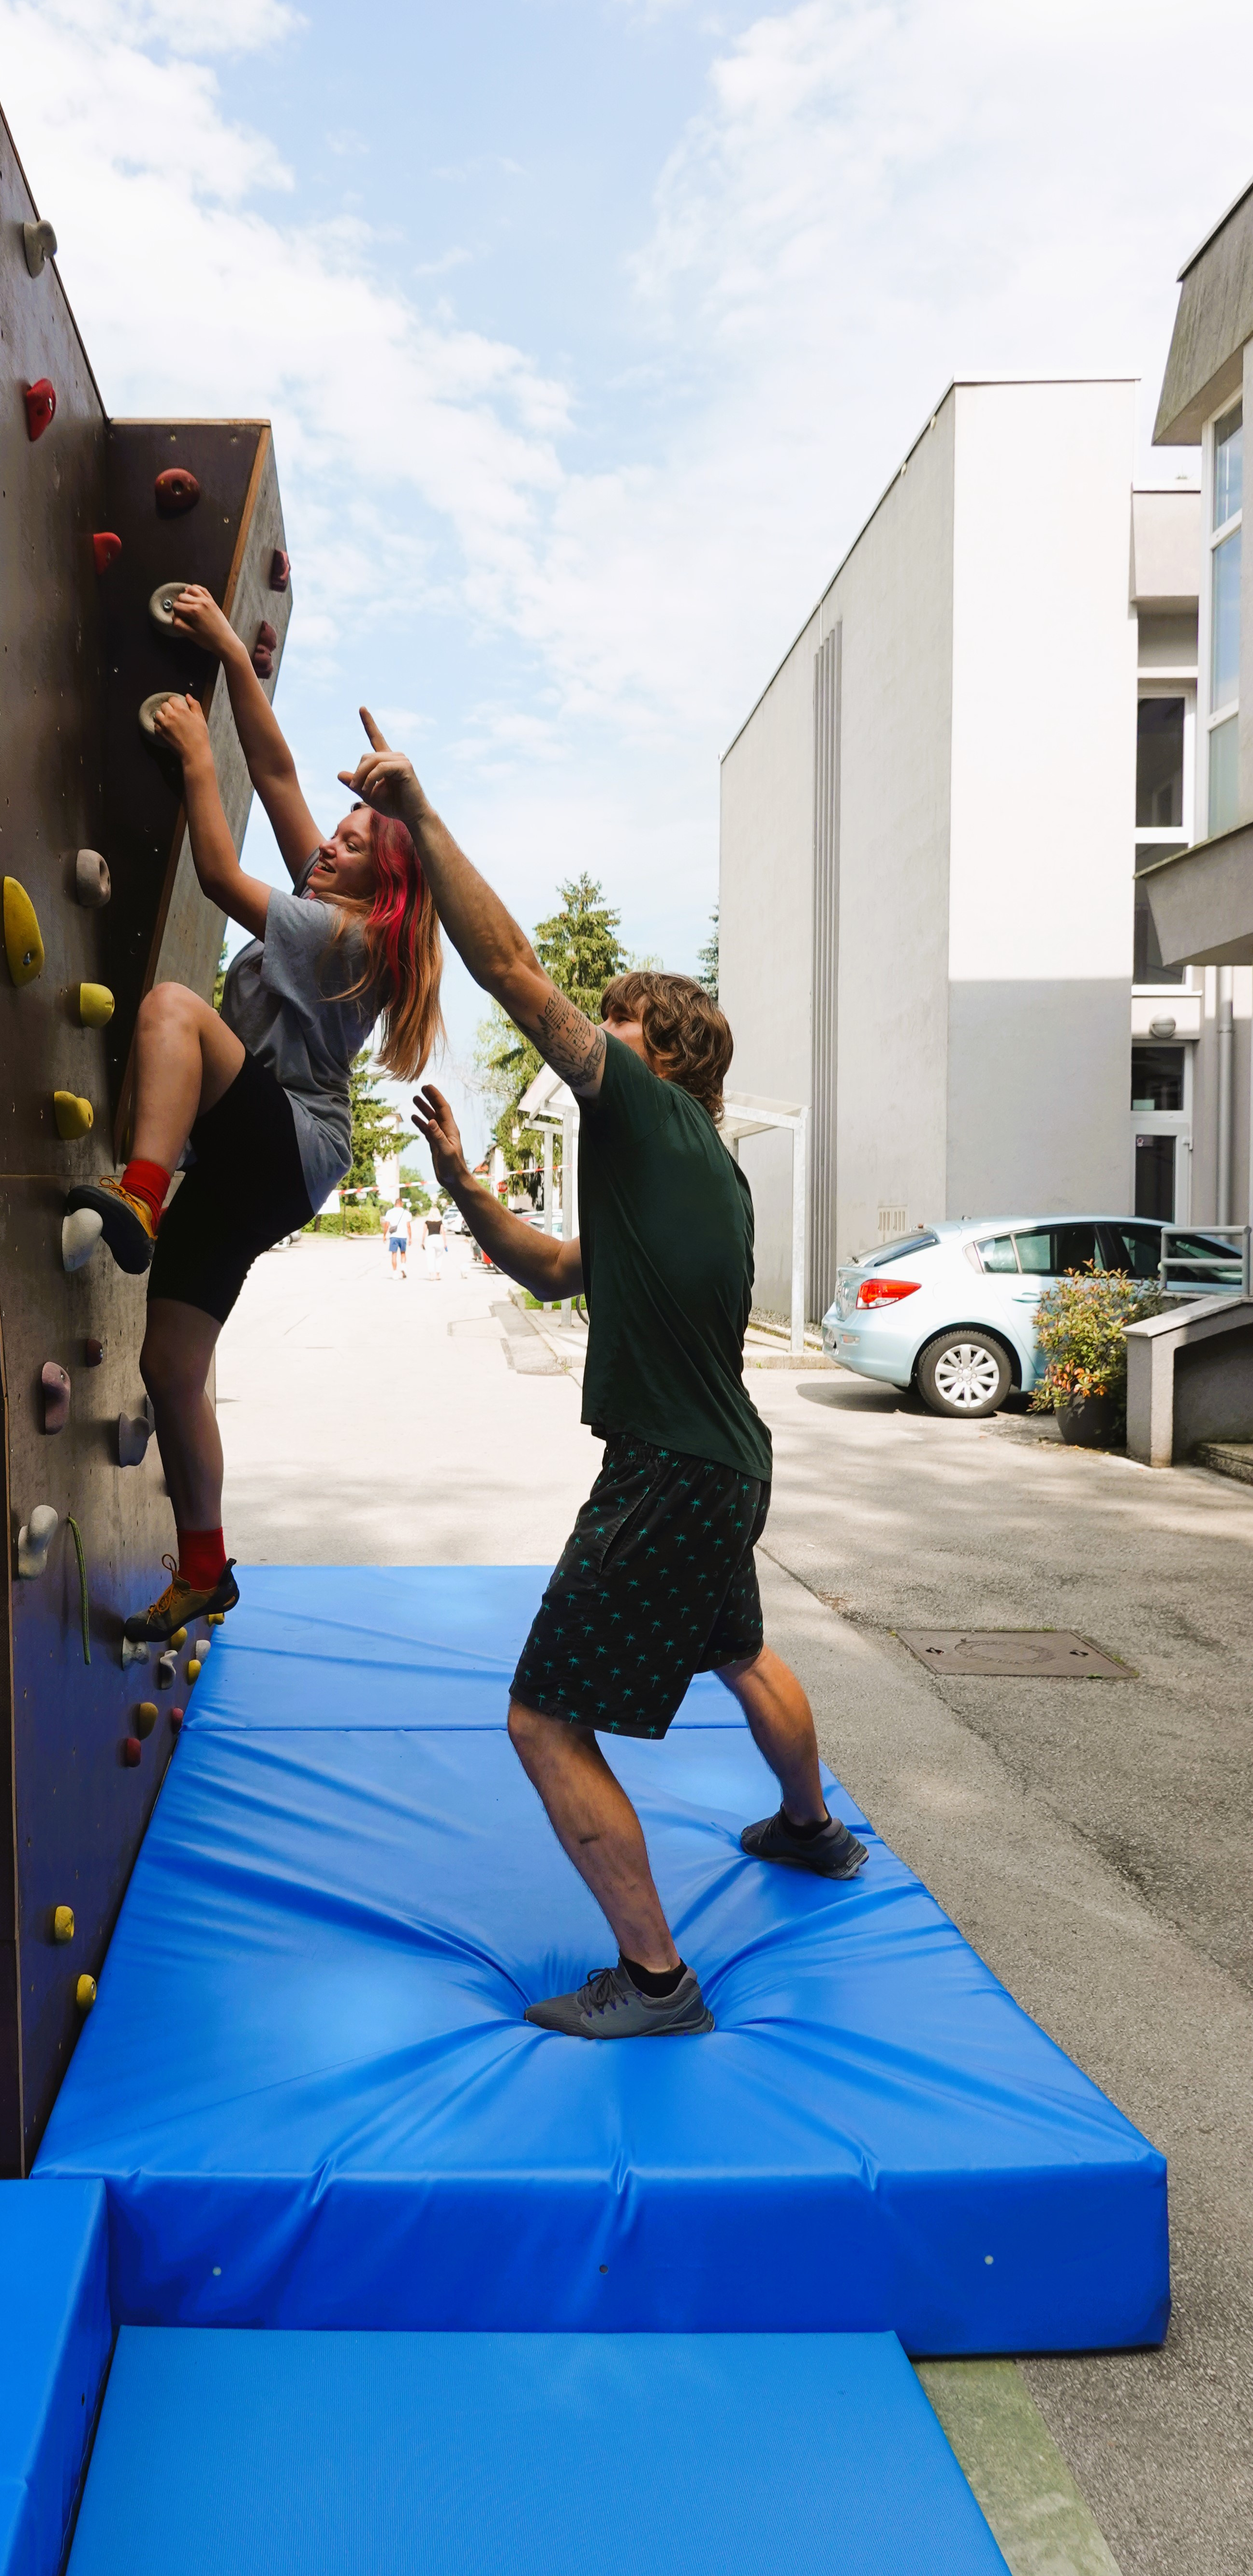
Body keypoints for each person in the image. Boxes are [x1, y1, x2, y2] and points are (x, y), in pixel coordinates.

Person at [341, 711, 866, 2042]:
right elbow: (553, 1271)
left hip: (670, 1472)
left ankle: (654, 1981)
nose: (595, 1033)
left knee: (541, 1720)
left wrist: (419, 812)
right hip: (726, 1464)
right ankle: (809, 1833)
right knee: (739, 1650)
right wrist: (462, 1187)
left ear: (668, 1053)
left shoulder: (644, 1110)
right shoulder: (704, 1172)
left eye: (619, 1020)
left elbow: (513, 969)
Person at [64, 603, 444, 1642]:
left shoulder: (345, 938)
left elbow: (222, 874)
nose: (328, 847)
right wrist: (235, 657)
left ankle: (136, 1196)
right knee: (170, 1370)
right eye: (338, 834)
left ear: (383, 883)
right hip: (258, 1166)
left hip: (287, 1140)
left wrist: (196, 753)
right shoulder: (336, 901)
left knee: (173, 1008)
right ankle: (203, 1569)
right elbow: (281, 781)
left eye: (355, 844)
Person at [383, 1195, 411, 1279]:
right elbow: (408, 1226)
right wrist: (411, 1238)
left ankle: (395, 1273)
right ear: (401, 1204)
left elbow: (387, 1225)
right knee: (403, 1253)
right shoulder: (406, 1213)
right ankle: (403, 1266)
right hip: (403, 1236)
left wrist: (384, 1235)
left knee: (394, 1255)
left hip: (394, 1236)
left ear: (395, 1204)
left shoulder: (390, 1212)